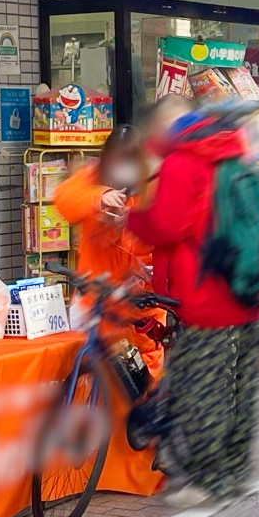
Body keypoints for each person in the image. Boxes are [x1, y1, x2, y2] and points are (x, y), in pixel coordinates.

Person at [126, 98, 259, 508]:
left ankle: (208, 479)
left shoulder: (185, 159)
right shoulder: (234, 149)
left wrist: (131, 220)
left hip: (207, 295)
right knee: (240, 386)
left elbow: (167, 224)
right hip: (246, 288)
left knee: (202, 387)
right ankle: (236, 472)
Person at [54, 125, 164, 385]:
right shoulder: (92, 178)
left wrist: (135, 224)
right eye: (116, 161)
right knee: (91, 378)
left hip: (138, 306)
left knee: (143, 379)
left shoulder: (153, 188)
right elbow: (65, 198)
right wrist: (100, 197)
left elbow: (161, 236)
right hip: (96, 300)